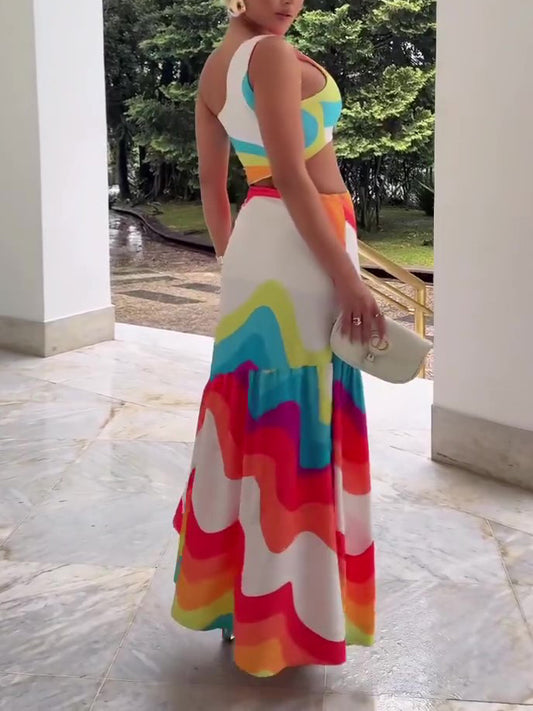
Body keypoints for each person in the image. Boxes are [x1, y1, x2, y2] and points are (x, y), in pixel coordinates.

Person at [171, 0, 385, 678]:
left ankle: (243, 606)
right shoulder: (267, 53)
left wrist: (237, 262)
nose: (288, 2)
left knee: (255, 426)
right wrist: (348, 279)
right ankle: (288, 622)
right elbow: (292, 175)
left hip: (262, 247)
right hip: (302, 245)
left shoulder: (215, 68)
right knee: (296, 424)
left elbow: (214, 186)